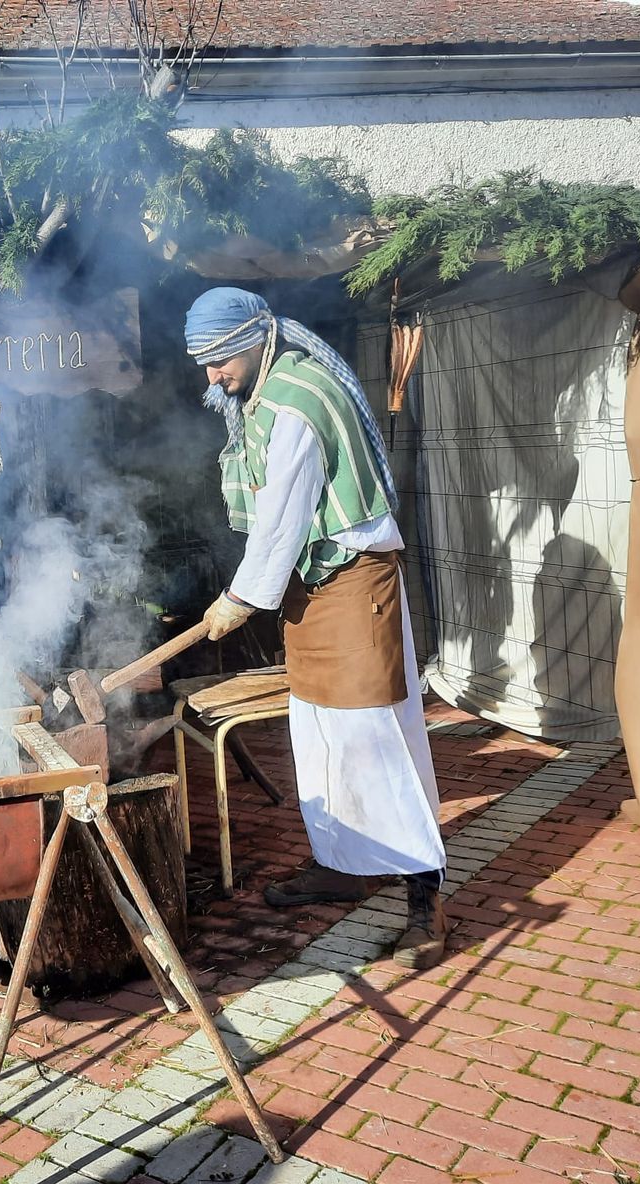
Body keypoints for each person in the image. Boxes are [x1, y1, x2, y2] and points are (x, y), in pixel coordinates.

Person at [183, 287, 449, 969]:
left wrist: (239, 599)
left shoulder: (296, 400)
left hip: (354, 584)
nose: (212, 374)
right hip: (313, 584)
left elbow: (282, 520)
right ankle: (344, 865)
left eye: (219, 359)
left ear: (255, 340)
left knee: (376, 741)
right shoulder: (264, 390)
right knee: (321, 737)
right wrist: (251, 591)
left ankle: (426, 901)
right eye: (203, 361)